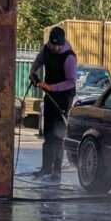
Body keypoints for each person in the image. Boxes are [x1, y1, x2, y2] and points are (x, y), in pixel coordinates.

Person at [29, 26, 77, 181]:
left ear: (63, 43)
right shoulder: (47, 49)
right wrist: (33, 71)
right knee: (48, 134)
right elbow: (39, 60)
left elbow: (71, 82)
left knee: (58, 135)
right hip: (50, 97)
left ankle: (57, 171)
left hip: (63, 99)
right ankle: (45, 168)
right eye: (53, 44)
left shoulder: (69, 57)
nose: (55, 48)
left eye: (58, 45)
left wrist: (51, 87)